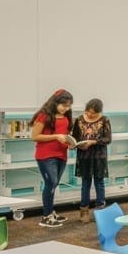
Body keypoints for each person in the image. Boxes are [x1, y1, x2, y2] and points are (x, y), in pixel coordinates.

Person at [30, 89, 74, 228]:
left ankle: (51, 212)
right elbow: (35, 136)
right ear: (55, 102)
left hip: (61, 154)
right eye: (63, 105)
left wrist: (70, 142)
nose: (66, 108)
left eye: (68, 106)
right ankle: (46, 216)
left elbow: (64, 134)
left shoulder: (66, 116)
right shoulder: (43, 116)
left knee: (54, 184)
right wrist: (56, 136)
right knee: (51, 183)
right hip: (46, 155)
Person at [72, 98, 112, 223]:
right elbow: (75, 136)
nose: (90, 114)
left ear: (99, 112)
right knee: (85, 183)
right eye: (88, 111)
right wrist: (74, 143)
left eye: (93, 113)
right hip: (84, 156)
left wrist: (93, 142)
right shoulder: (79, 120)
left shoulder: (105, 120)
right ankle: (84, 211)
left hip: (99, 156)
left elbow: (108, 139)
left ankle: (100, 211)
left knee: (99, 183)